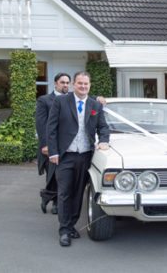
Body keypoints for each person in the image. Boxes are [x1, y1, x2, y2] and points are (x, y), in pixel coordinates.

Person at [47, 71, 110, 247]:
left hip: (85, 156)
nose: (83, 86)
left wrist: (104, 141)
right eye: (80, 83)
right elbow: (51, 128)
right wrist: (53, 152)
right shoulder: (61, 102)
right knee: (65, 193)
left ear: (89, 86)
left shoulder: (95, 105)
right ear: (74, 84)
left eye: (86, 84)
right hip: (65, 156)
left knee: (78, 193)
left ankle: (71, 224)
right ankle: (64, 231)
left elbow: (103, 127)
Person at [36, 72, 70, 215]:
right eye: (62, 82)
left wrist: (99, 98)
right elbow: (41, 123)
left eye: (68, 83)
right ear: (55, 83)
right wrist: (45, 145)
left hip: (66, 145)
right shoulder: (45, 100)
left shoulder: (71, 99)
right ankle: (54, 202)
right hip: (51, 145)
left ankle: (49, 198)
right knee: (54, 175)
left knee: (61, 175)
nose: (65, 85)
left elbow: (88, 100)